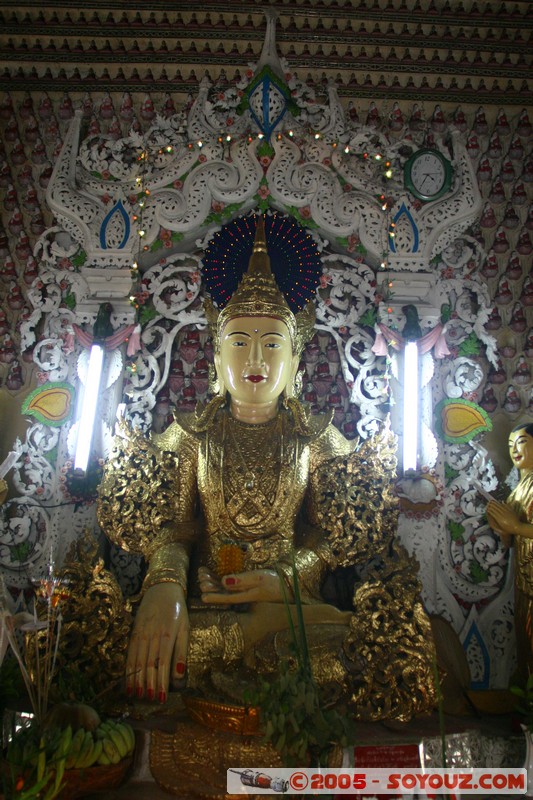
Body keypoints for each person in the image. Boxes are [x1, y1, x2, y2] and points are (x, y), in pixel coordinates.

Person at [98, 217, 435, 721]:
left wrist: (288, 578)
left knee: (365, 642)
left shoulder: (315, 439)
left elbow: (328, 539)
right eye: (238, 342)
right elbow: (175, 529)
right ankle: (238, 648)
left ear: (295, 360)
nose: (255, 358)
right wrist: (165, 585)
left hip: (290, 612)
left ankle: (246, 646)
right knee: (138, 640)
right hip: (205, 608)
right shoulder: (192, 434)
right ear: (216, 357)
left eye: (272, 344)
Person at [487, 423, 533, 680]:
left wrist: (515, 526)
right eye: (510, 445)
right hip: (524, 577)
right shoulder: (518, 490)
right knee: (524, 636)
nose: (515, 450)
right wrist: (502, 528)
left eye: (522, 442)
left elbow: (519, 528)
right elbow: (511, 542)